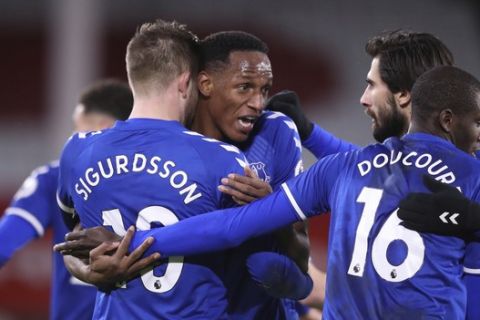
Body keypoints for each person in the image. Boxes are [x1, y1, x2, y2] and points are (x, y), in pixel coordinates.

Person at [121, 65, 480, 318]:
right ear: (448, 120)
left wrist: (134, 242)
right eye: (477, 121)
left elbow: (231, 226)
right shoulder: (472, 178)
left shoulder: (344, 169)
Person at [58, 30, 313, 319]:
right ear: (200, 84)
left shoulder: (275, 132)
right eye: (244, 87)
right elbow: (76, 239)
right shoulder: (194, 149)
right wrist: (90, 270)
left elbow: (300, 258)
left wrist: (273, 210)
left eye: (265, 90)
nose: (258, 102)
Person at [0, 79, 133, 320]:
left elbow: (3, 242)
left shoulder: (54, 177)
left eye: (76, 129)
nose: (72, 138)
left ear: (101, 128)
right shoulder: (167, 179)